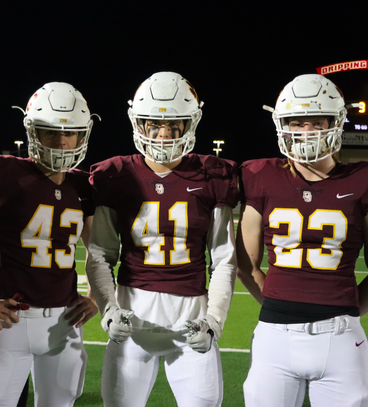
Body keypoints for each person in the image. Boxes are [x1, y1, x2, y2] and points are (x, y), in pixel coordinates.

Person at [86, 71, 238, 407]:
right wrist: (109, 311)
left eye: (174, 125)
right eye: (154, 124)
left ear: (190, 125)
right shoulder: (116, 174)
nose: (164, 134)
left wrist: (214, 321)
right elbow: (100, 255)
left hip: (192, 321)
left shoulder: (213, 175)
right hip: (131, 319)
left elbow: (224, 259)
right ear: (139, 124)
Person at [236, 73, 368, 407]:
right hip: (274, 335)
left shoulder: (362, 178)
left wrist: (350, 312)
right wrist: (275, 303)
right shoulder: (259, 175)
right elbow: (245, 264)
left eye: (316, 121)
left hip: (341, 337)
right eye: (296, 122)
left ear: (335, 123)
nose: (306, 132)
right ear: (282, 126)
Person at [0, 82, 99, 407]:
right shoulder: (2, 173)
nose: (60, 140)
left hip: (65, 321)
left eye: (69, 132)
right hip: (11, 320)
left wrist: (97, 296)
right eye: (49, 131)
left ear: (82, 135)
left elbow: (100, 251)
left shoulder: (83, 186)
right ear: (32, 132)